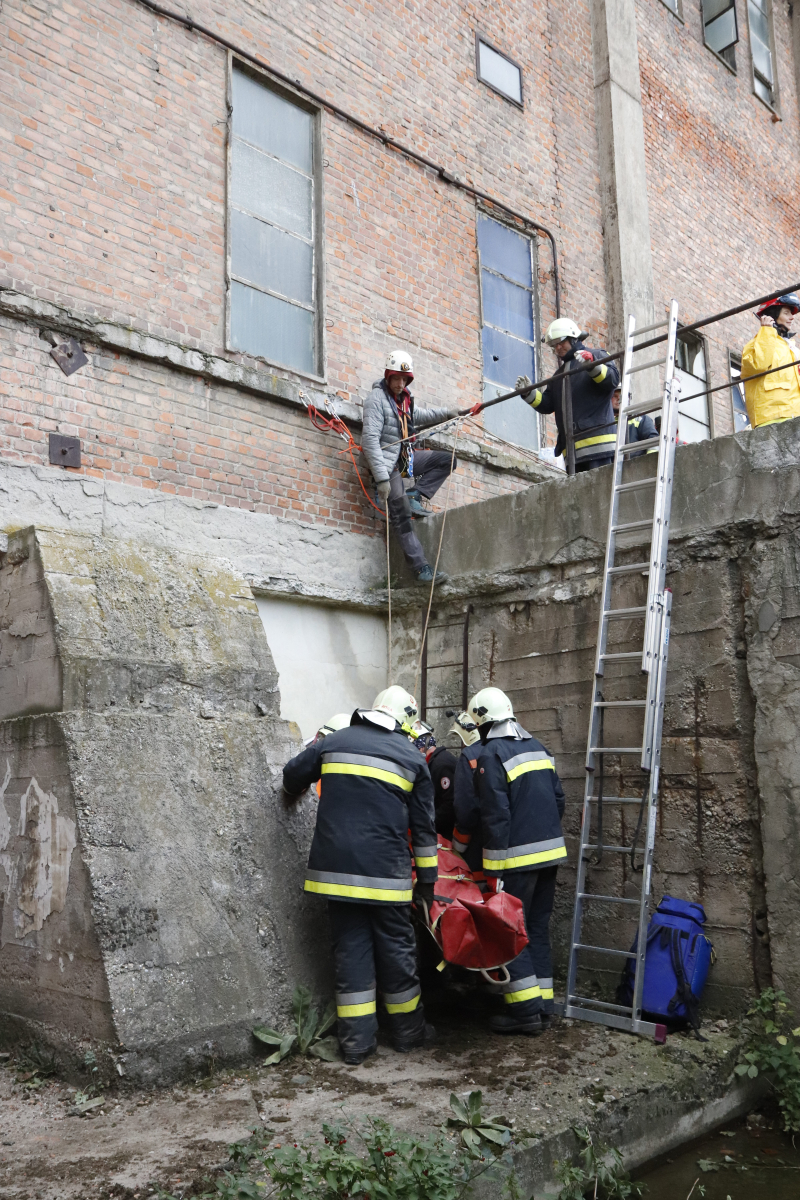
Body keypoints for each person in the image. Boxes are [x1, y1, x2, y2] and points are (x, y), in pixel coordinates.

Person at [282, 685, 437, 1065]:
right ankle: (408, 1033)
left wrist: (295, 789)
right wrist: (427, 883)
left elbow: (292, 775)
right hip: (387, 876)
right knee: (397, 952)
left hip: (336, 874)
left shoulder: (335, 741)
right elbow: (424, 830)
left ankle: (356, 1043)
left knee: (351, 952)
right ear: (405, 723)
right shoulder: (412, 758)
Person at [458, 687, 566, 1034]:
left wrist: (493, 870)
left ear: (481, 722)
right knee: (536, 929)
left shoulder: (492, 753)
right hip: (551, 855)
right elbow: (559, 800)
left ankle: (525, 1014)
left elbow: (496, 816)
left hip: (516, 861)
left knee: (508, 931)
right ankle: (544, 1006)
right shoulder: (538, 747)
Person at [362, 350, 455, 584]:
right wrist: (382, 479)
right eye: (397, 378)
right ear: (388, 376)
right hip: (388, 466)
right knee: (401, 514)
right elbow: (369, 441)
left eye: (405, 380)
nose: (400, 384)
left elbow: (420, 415)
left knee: (447, 460)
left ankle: (415, 494)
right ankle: (421, 568)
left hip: (405, 458)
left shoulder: (404, 399)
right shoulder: (376, 399)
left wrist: (448, 414)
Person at [516, 318, 619, 472]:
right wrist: (529, 393)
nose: (558, 347)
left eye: (561, 342)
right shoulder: (559, 375)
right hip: (572, 453)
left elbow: (613, 379)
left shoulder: (597, 354)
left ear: (573, 338)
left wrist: (593, 366)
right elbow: (547, 404)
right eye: (554, 345)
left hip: (599, 446)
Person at [741, 294, 800, 428]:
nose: (792, 317)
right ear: (772, 316)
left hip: (795, 416)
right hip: (770, 417)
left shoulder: (792, 349)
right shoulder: (755, 344)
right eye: (786, 313)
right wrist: (767, 331)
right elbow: (758, 365)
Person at [611, 386, 658, 456]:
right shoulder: (606, 423)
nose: (618, 398)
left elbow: (653, 440)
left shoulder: (640, 418)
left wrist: (650, 460)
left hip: (636, 462)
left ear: (629, 398)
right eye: (615, 396)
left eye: (621, 395)